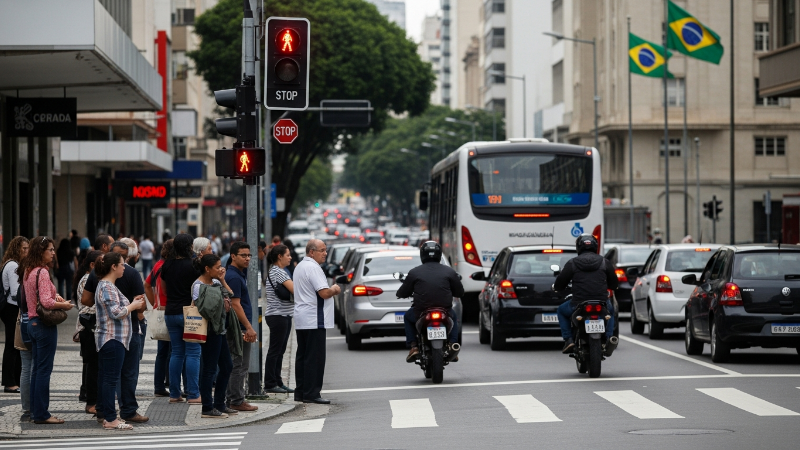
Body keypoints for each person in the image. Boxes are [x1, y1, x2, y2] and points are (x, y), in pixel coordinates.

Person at [81, 241, 148, 423]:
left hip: (110, 334)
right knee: (120, 375)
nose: (124, 267)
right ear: (115, 264)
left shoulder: (99, 278)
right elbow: (123, 310)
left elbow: (86, 299)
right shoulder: (110, 283)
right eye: (121, 263)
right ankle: (119, 414)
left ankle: (104, 411)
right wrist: (133, 307)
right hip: (117, 335)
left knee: (106, 375)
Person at [22, 236, 75, 424]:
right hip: (43, 325)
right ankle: (43, 414)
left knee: (37, 370)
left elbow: (38, 296)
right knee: (43, 370)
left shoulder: (29, 271)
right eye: (50, 250)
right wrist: (65, 306)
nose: (53, 253)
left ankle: (37, 412)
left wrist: (56, 295)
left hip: (31, 323)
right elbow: (45, 302)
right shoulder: (42, 272)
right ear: (40, 251)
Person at [396, 241, 463, 363]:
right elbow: (460, 292)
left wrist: (400, 294)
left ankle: (414, 346)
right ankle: (453, 344)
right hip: (445, 310)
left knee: (407, 317)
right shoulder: (449, 271)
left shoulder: (414, 272)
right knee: (454, 316)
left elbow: (402, 292)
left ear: (422, 255)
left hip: (421, 311)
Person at [553, 234, 619, 355]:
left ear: (579, 247)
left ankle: (568, 339)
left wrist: (558, 288)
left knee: (561, 310)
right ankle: (609, 338)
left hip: (578, 303)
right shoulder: (605, 262)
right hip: (602, 302)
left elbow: (560, 284)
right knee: (611, 311)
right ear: (595, 247)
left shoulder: (572, 263)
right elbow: (614, 284)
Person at [292, 239, 340, 404]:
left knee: (303, 356)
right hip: (314, 318)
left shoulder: (300, 266)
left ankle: (301, 392)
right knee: (315, 357)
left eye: (325, 250)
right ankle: (312, 393)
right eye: (322, 250)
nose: (325, 253)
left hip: (303, 317)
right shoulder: (313, 268)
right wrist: (334, 288)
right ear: (311, 252)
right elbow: (324, 293)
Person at [193, 254, 237, 418]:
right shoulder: (198, 286)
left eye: (221, 266)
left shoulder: (217, 282)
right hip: (209, 331)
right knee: (210, 369)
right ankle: (207, 407)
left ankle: (220, 403)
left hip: (220, 329)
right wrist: (221, 304)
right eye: (217, 267)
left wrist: (223, 279)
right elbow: (204, 308)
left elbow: (230, 294)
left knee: (227, 366)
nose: (221, 269)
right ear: (207, 268)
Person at [161, 234, 201, 404]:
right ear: (189, 246)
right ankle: (193, 394)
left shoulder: (167, 265)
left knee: (176, 352)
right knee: (193, 352)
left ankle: (174, 394)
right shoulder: (192, 265)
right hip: (190, 312)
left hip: (171, 311)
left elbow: (164, 289)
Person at [224, 241, 259, 412]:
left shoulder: (237, 274)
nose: (247, 259)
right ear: (233, 256)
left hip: (238, 326)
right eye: (243, 255)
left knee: (238, 363)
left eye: (249, 255)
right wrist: (249, 327)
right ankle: (236, 400)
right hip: (238, 327)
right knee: (239, 364)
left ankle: (235, 398)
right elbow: (236, 305)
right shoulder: (233, 276)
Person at [73, 250, 103, 414]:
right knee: (93, 366)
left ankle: (94, 400)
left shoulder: (91, 278)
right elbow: (89, 304)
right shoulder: (88, 279)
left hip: (91, 326)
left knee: (94, 366)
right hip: (89, 327)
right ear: (93, 265)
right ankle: (91, 402)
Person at [263, 244, 295, 394]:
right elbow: (295, 290)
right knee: (275, 350)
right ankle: (270, 383)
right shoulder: (278, 272)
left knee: (280, 350)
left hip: (283, 315)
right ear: (279, 256)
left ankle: (277, 381)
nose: (290, 257)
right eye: (287, 255)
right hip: (278, 315)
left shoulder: (278, 271)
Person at [1, 236, 30, 394]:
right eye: (23, 249)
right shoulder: (13, 265)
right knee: (13, 345)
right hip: (11, 308)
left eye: (27, 249)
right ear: (16, 249)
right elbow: (15, 292)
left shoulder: (14, 264)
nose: (26, 252)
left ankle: (14, 380)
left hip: (12, 308)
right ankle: (10, 382)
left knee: (15, 345)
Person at [144, 239, 173, 397]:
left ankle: (159, 385)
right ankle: (168, 386)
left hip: (160, 309)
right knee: (173, 350)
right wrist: (159, 301)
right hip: (168, 309)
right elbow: (161, 287)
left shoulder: (157, 264)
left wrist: (154, 302)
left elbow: (147, 284)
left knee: (162, 351)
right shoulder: (165, 267)